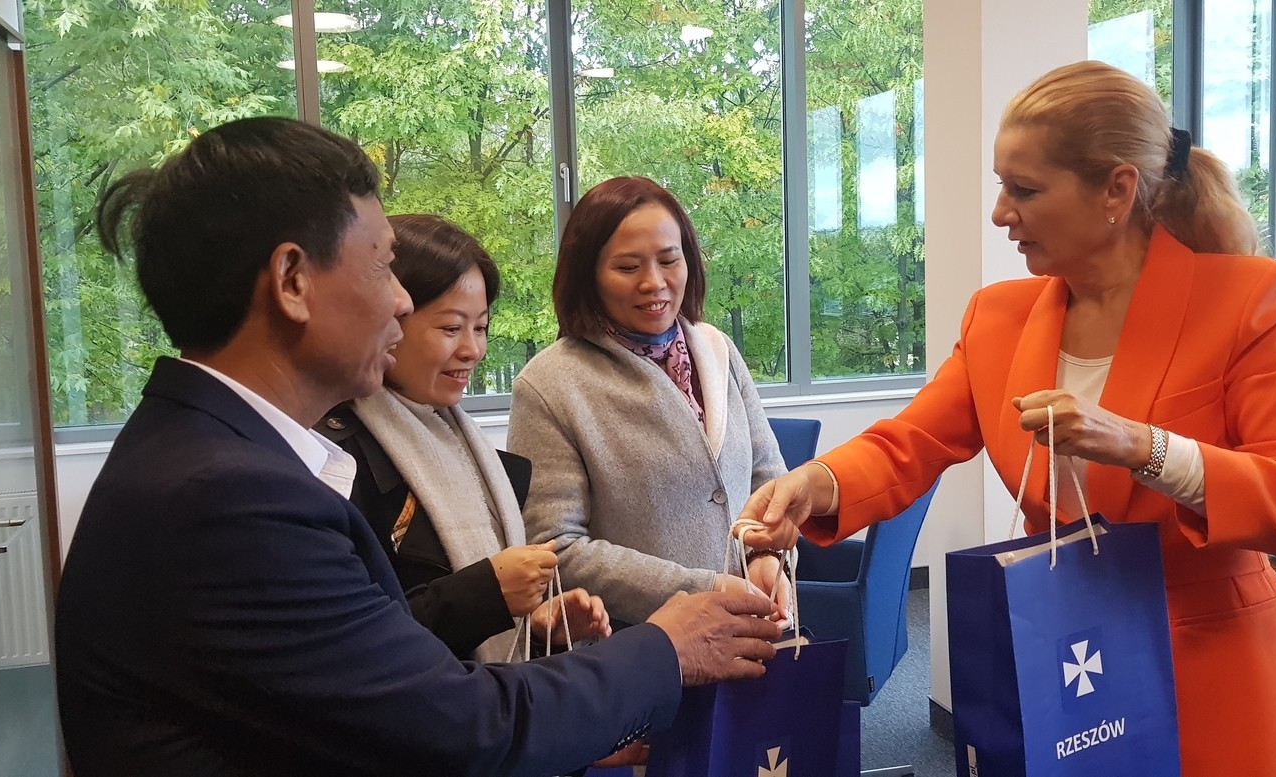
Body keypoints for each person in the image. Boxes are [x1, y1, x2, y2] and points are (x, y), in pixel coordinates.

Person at [54, 117, 781, 777]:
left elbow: (385, 686)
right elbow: (459, 727)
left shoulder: (220, 460)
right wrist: (665, 648)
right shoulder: (226, 500)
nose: (402, 301)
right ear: (293, 281)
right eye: (381, 266)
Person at [738, 61, 1276, 776]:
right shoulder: (999, 316)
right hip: (1064, 665)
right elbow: (910, 442)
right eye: (1002, 186)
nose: (1001, 212)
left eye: (1024, 190)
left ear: (1117, 189)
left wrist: (1146, 447)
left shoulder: (1248, 301)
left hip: (1209, 682)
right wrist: (813, 484)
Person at [315, 214, 607, 663]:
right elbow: (349, 646)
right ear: (387, 319)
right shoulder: (336, 460)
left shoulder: (468, 447)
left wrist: (538, 630)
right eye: (451, 328)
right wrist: (486, 594)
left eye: (481, 327)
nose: (472, 350)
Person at [507, 176, 790, 628]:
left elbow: (769, 480)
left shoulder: (716, 351)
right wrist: (704, 588)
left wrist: (766, 555)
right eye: (627, 267)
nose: (654, 282)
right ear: (588, 274)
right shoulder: (551, 384)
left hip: (749, 626)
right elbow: (556, 547)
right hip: (640, 645)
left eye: (669, 260)